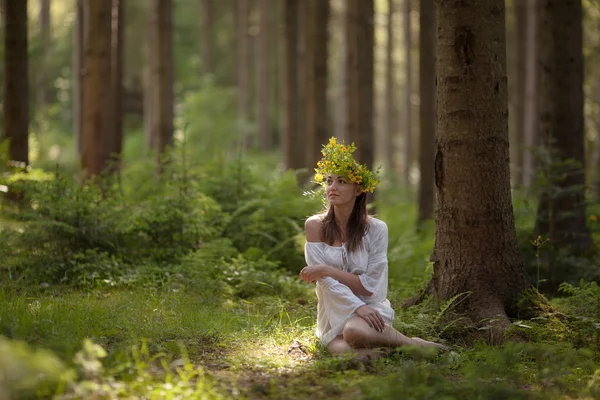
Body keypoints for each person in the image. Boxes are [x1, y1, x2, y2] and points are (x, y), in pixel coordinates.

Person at [300, 138, 444, 361]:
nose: (332, 187)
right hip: (333, 310)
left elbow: (370, 286)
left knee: (355, 332)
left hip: (371, 309)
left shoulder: (376, 229)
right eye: (329, 181)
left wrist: (327, 270)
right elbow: (325, 283)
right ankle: (393, 352)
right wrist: (353, 304)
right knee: (347, 352)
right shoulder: (314, 226)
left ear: (358, 189)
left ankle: (413, 344)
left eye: (341, 182)